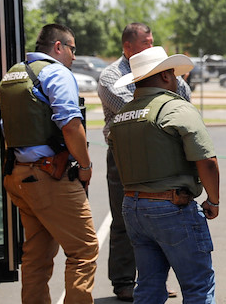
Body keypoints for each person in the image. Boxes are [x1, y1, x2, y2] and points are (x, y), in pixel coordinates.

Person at [108, 46, 220, 303]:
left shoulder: (122, 116)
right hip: (172, 207)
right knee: (198, 287)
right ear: (166, 76)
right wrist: (213, 200)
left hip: (134, 208)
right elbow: (208, 161)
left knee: (148, 286)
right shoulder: (176, 109)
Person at [0, 24, 98, 303]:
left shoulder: (13, 75)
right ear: (58, 47)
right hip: (49, 177)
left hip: (18, 175)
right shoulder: (57, 73)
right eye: (72, 49)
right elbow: (70, 124)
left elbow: (7, 127)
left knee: (37, 255)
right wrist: (86, 166)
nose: (74, 57)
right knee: (83, 250)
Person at [97, 23, 189, 300]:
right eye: (146, 43)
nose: (152, 47)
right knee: (124, 219)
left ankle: (154, 281)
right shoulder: (111, 76)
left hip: (162, 154)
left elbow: (185, 99)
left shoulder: (163, 70)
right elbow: (137, 111)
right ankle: (124, 281)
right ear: (128, 48)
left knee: (160, 217)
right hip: (124, 157)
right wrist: (166, 101)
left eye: (152, 41)